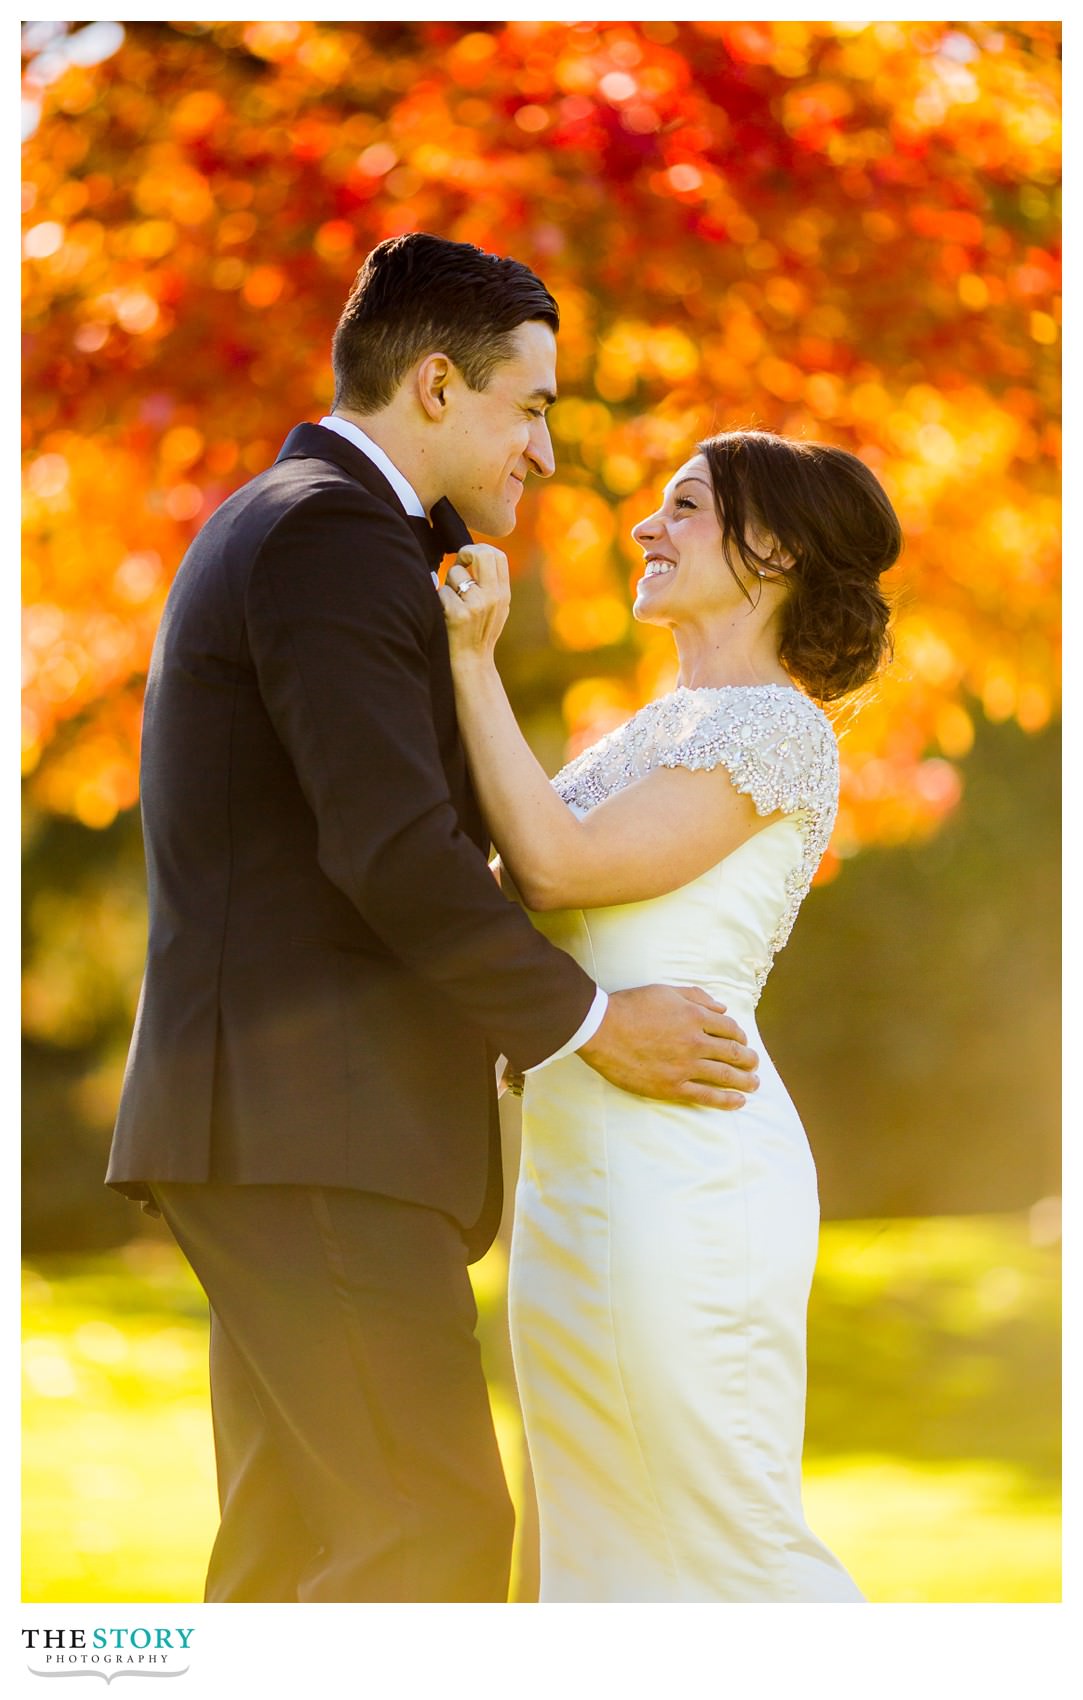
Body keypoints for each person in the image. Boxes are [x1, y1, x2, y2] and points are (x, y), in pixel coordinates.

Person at [105, 233, 761, 1604]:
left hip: (284, 1133)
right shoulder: (329, 533)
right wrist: (588, 1024)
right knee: (431, 1539)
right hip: (314, 1131)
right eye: (533, 407)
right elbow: (392, 851)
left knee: (299, 1552)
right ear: (440, 388)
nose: (546, 453)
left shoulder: (307, 525)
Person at [439, 428, 902, 1601]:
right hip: (571, 1170)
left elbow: (553, 867)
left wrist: (472, 657)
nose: (647, 527)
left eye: (684, 506)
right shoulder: (646, 732)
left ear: (777, 548)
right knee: (586, 1544)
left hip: (689, 1177)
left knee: (723, 1532)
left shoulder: (775, 727)